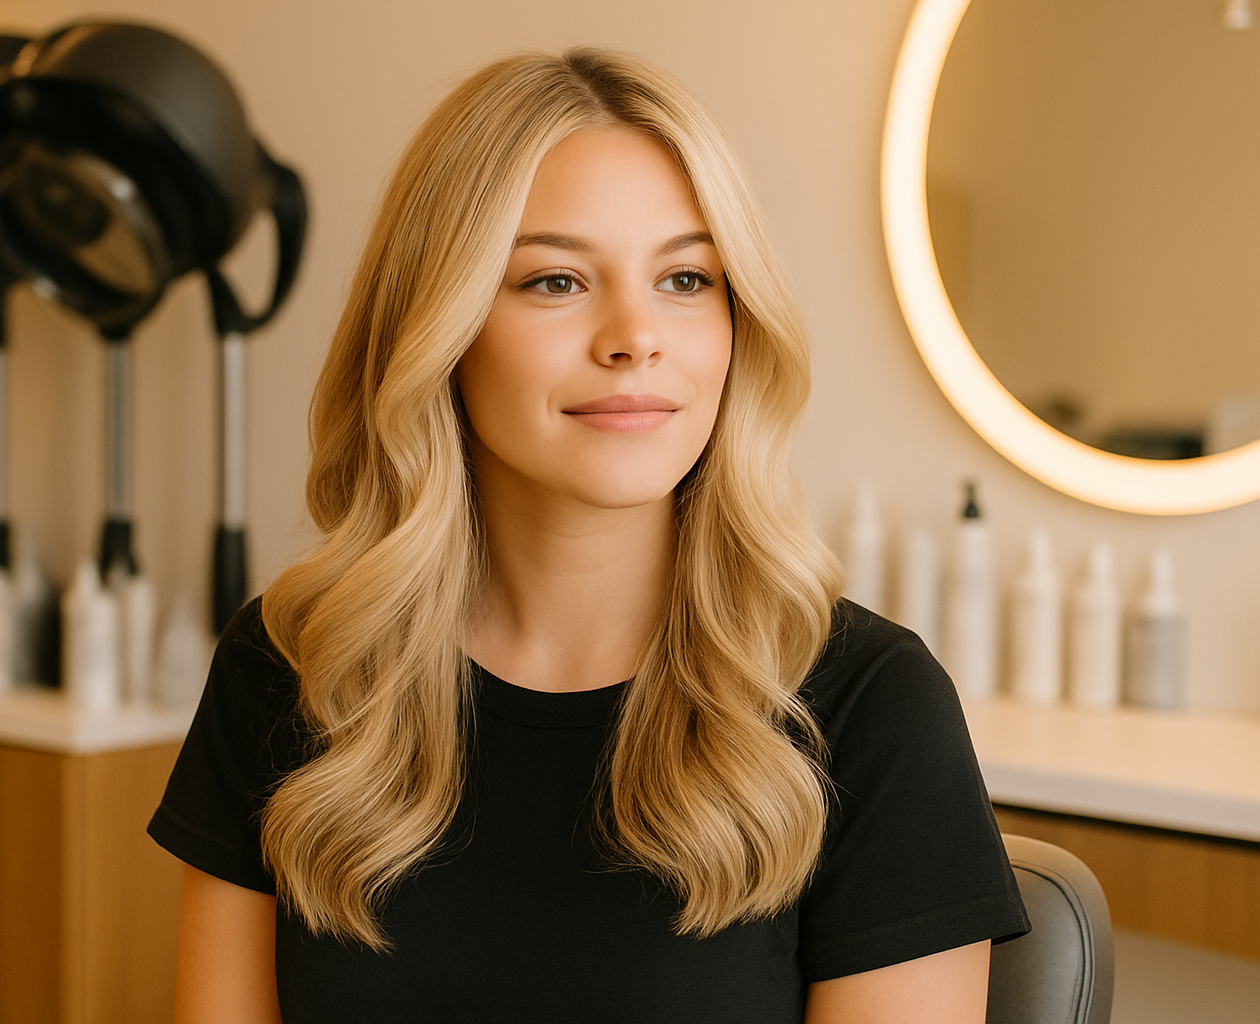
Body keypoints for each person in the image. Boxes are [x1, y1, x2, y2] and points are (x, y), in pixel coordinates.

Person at [149, 48, 1027, 1023]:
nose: (634, 336)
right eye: (556, 280)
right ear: (439, 325)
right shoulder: (287, 669)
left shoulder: (873, 710)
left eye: (686, 277)